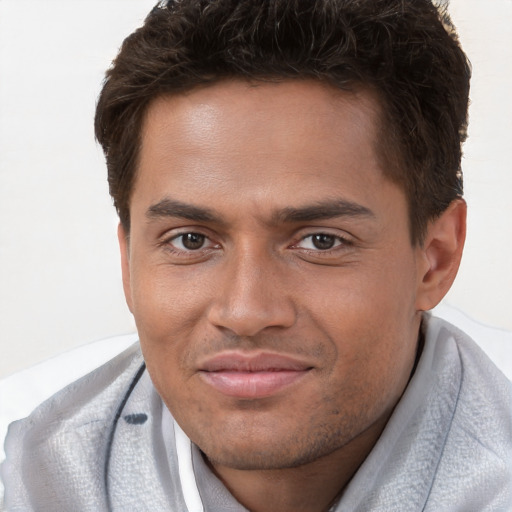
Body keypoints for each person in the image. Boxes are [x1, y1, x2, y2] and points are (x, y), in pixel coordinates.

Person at [2, 0, 511, 510]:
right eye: (191, 240)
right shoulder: (26, 475)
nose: (245, 312)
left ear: (436, 259)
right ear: (128, 263)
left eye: (320, 241)